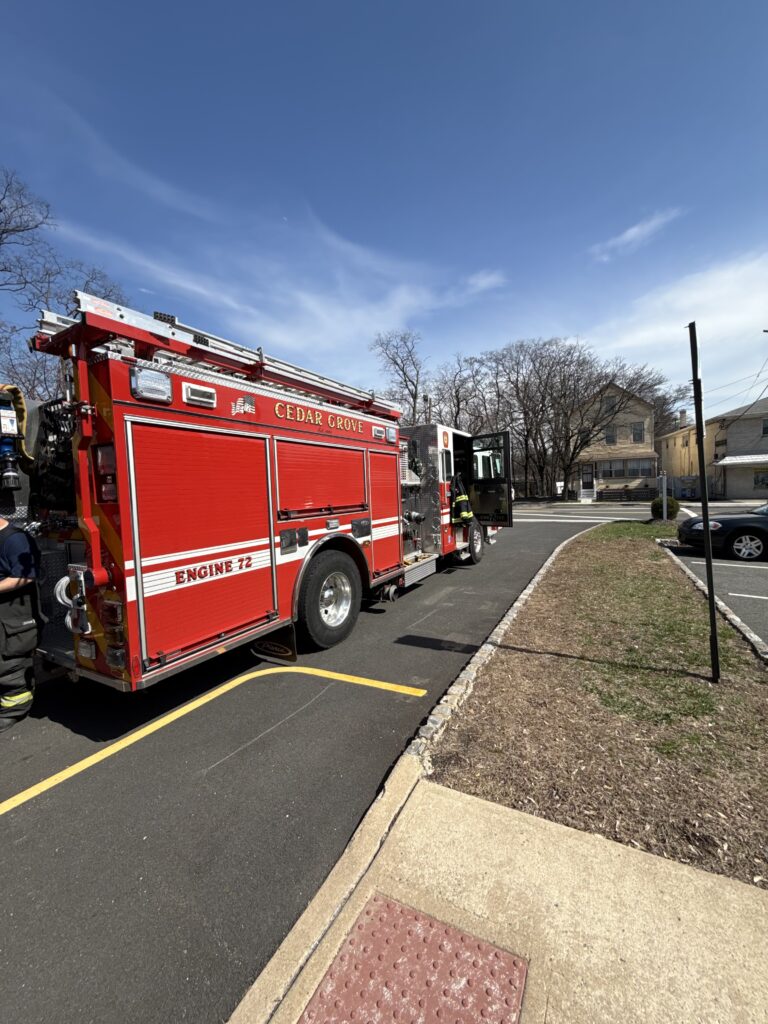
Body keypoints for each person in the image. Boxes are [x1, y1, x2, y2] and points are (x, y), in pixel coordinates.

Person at [0, 516, 41, 732]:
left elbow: (26, 575)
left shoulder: (15, 539)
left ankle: (13, 710)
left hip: (13, 614)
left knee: (9, 662)